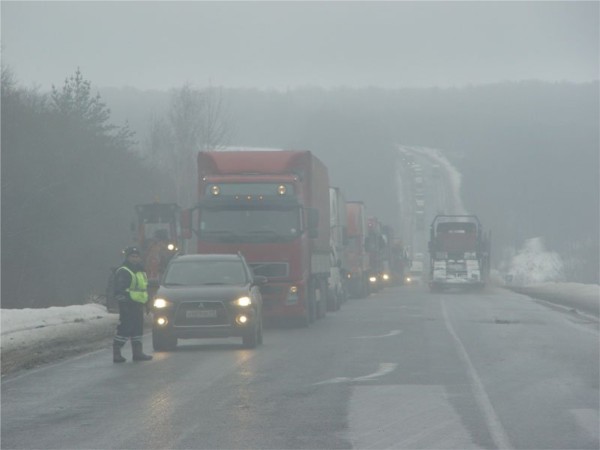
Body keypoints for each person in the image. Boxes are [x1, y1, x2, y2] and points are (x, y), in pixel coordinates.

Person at [112, 246, 153, 363]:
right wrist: (123, 304)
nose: (135, 259)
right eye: (132, 256)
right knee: (125, 328)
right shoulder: (124, 271)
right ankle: (117, 353)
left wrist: (147, 303)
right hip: (127, 304)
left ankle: (137, 353)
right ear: (127, 257)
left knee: (137, 329)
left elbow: (143, 288)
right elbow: (119, 290)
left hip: (138, 304)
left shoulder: (141, 271)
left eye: (137, 257)